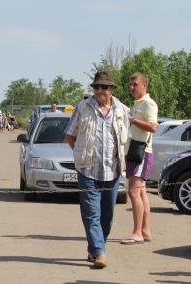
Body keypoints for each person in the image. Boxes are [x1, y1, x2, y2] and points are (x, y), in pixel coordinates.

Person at [65, 71, 130, 268]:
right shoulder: (83, 107)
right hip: (88, 171)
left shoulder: (123, 110)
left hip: (113, 171)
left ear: (112, 89)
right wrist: (81, 153)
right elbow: (70, 135)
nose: (100, 90)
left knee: (107, 216)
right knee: (91, 213)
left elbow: (126, 140)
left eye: (104, 87)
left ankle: (94, 247)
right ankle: (100, 252)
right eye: (97, 87)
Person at [121, 72, 158, 245]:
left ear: (144, 85)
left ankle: (137, 233)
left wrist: (133, 120)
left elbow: (153, 127)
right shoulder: (138, 104)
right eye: (130, 84)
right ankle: (145, 230)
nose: (131, 87)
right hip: (135, 152)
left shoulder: (148, 104)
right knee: (141, 192)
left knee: (134, 192)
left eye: (135, 84)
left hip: (141, 152)